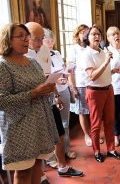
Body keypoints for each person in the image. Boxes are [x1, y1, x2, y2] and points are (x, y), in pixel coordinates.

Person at [0, 23, 59, 184]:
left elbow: (39, 85)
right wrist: (33, 93)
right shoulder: (3, 65)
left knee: (37, 167)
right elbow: (2, 101)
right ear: (8, 40)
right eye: (21, 36)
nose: (27, 40)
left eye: (27, 36)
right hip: (19, 127)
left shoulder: (32, 62)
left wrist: (48, 87)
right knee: (23, 172)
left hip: (39, 122)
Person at [25, 22, 83, 179]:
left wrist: (56, 95)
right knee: (38, 142)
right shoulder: (22, 55)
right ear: (27, 37)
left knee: (59, 134)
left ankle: (63, 167)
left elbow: (49, 76)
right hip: (33, 105)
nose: (41, 42)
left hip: (49, 100)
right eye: (37, 39)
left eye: (42, 38)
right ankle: (41, 176)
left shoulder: (44, 50)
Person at [82, 24, 120, 163]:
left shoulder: (102, 51)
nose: (97, 37)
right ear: (87, 37)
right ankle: (97, 151)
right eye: (93, 34)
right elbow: (92, 76)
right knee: (96, 124)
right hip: (95, 92)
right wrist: (106, 62)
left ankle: (111, 149)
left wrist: (113, 71)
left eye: (98, 34)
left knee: (110, 121)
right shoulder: (86, 54)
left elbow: (103, 72)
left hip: (108, 89)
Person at [43, 28, 77, 159]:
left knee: (65, 123)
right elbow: (45, 75)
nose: (50, 42)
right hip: (50, 93)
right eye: (47, 39)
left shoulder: (56, 53)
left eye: (52, 39)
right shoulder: (39, 56)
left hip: (63, 89)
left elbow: (61, 70)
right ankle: (52, 157)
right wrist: (57, 79)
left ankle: (67, 149)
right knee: (51, 126)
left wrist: (65, 75)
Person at [67, 24, 93, 147]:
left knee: (93, 111)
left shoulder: (90, 47)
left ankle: (94, 134)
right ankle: (86, 135)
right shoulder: (73, 49)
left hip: (93, 83)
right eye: (83, 32)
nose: (85, 35)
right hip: (80, 84)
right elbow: (70, 71)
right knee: (83, 111)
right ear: (77, 35)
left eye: (87, 32)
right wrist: (73, 88)